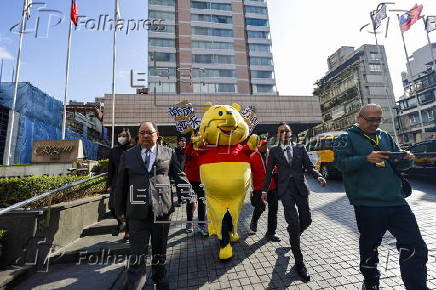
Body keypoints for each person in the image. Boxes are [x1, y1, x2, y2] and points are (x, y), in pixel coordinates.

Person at [334, 104, 428, 290]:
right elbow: (340, 164)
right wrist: (365, 159)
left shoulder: (385, 136)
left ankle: (417, 286)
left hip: (396, 201)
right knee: (370, 246)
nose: (375, 123)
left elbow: (399, 166)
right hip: (367, 204)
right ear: (359, 118)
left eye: (378, 119)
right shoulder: (344, 138)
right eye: (370, 120)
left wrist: (406, 160)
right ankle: (370, 280)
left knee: (415, 246)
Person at [114, 122, 192, 290]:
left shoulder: (169, 153)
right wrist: (118, 210)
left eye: (149, 132)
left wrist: (189, 196)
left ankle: (159, 278)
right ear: (138, 136)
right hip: (136, 213)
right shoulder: (128, 155)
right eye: (142, 133)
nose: (145, 136)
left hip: (162, 212)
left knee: (160, 252)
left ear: (157, 134)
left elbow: (179, 176)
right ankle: (135, 284)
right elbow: (120, 183)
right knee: (137, 255)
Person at [261, 122, 326, 282]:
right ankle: (300, 263)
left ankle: (293, 234)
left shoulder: (300, 148)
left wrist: (317, 175)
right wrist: (264, 190)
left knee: (307, 220)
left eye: (286, 131)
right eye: (281, 131)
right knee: (294, 221)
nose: (284, 133)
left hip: (301, 189)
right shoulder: (274, 151)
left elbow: (309, 166)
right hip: (285, 191)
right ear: (277, 135)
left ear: (291, 134)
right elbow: (269, 172)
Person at [249, 140, 280, 242]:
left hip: (272, 187)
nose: (265, 146)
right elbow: (250, 173)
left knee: (273, 210)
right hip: (259, 188)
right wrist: (252, 187)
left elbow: (278, 168)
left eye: (266, 144)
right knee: (260, 207)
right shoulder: (252, 156)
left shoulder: (272, 155)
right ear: (258, 145)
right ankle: (254, 220)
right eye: (262, 144)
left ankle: (271, 233)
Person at [107, 128, 132, 241]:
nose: (121, 138)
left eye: (124, 136)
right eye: (120, 136)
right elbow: (110, 169)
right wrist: (109, 184)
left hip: (130, 182)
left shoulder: (132, 149)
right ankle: (121, 222)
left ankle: (128, 232)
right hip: (116, 182)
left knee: (128, 208)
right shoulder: (113, 151)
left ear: (128, 137)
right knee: (113, 207)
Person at [183, 132, 208, 235]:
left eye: (199, 135)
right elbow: (187, 152)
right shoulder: (190, 147)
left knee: (202, 203)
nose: (198, 136)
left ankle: (201, 225)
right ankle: (189, 223)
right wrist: (192, 142)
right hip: (190, 179)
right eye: (196, 135)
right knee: (190, 202)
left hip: (202, 179)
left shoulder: (205, 146)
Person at [174, 137, 187, 207]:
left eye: (184, 141)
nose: (182, 142)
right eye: (181, 141)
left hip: (186, 170)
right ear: (179, 143)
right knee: (178, 186)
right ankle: (179, 200)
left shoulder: (188, 150)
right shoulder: (176, 150)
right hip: (178, 170)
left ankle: (186, 197)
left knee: (186, 185)